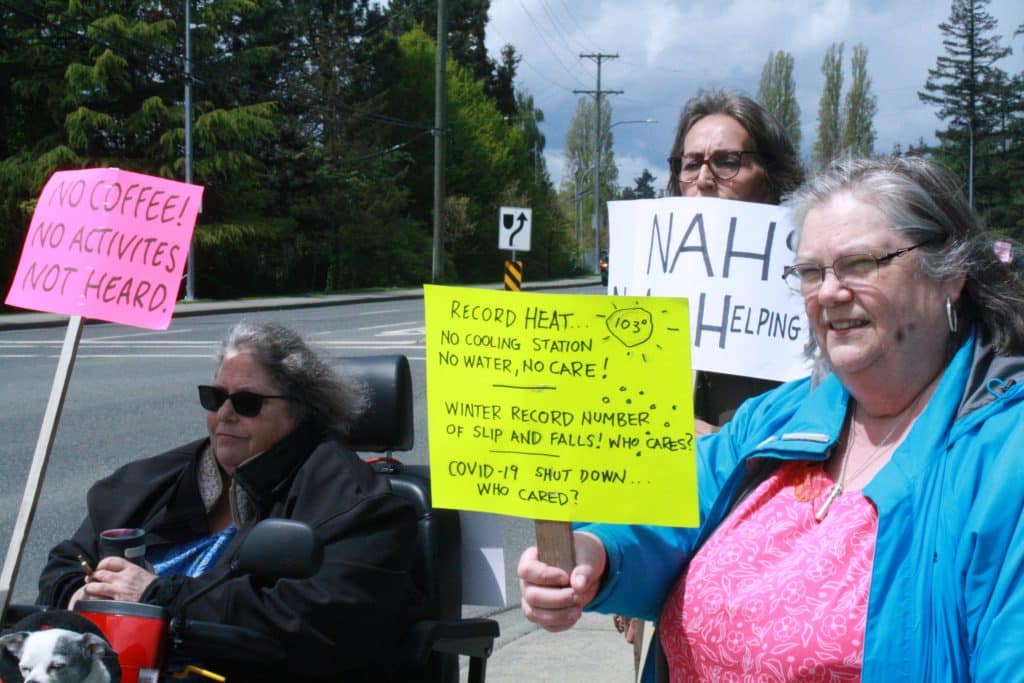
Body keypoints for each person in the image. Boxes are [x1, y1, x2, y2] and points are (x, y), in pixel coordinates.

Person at [519, 156, 1024, 681]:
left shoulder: (1003, 459)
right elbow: (666, 511)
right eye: (811, 272)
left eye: (861, 264)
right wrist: (597, 552)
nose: (829, 292)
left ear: (951, 276)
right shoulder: (780, 417)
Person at [36, 320, 423, 682]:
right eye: (215, 397)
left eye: (247, 403)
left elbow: (318, 620)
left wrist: (160, 597)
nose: (225, 414)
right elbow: (68, 559)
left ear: (302, 408)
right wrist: (80, 595)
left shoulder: (355, 503)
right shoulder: (156, 480)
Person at [666, 88, 805, 427]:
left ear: (772, 177)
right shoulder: (648, 276)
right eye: (691, 163)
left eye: (727, 162)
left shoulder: (813, 281)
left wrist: (721, 445)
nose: (703, 179)